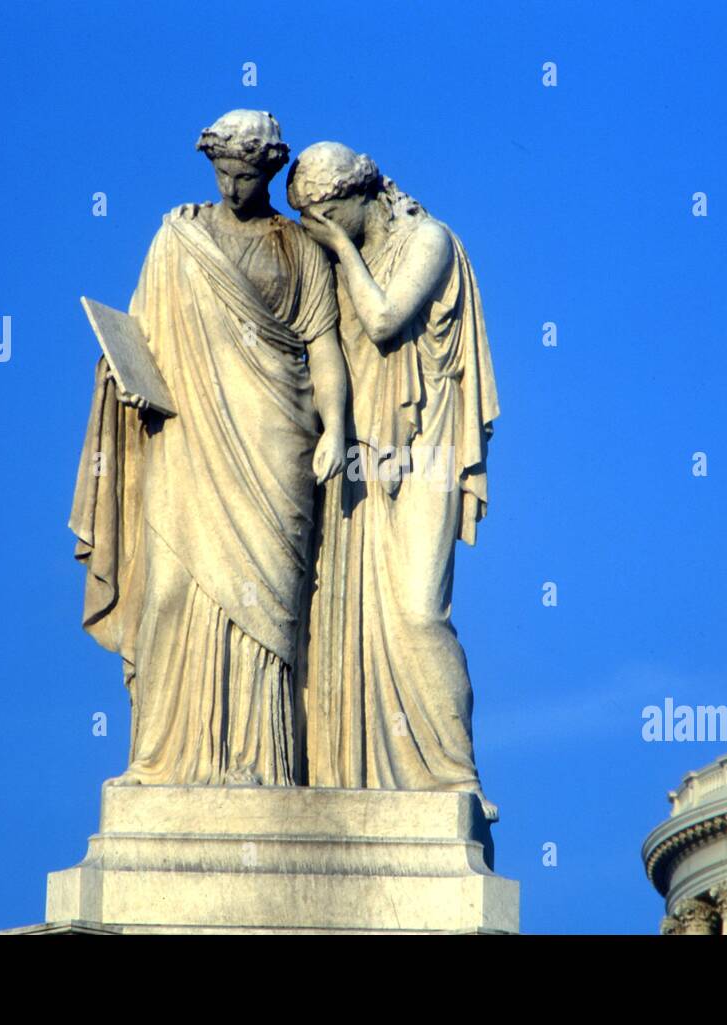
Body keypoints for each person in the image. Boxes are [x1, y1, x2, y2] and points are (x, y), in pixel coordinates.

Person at [70, 111, 347, 787]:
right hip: (185, 437)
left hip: (274, 441)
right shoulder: (177, 240)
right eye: (221, 171)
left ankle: (262, 763)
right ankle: (162, 759)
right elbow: (138, 334)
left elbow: (325, 349)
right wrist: (120, 377)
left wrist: (336, 428)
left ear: (271, 172)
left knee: (265, 613)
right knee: (168, 593)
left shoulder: (300, 250)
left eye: (245, 174)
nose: (230, 184)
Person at [287, 142, 501, 819]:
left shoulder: (427, 240)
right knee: (341, 613)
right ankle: (349, 771)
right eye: (308, 218)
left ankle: (454, 773)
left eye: (325, 213)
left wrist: (342, 252)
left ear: (360, 194)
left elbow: (382, 320)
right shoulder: (328, 254)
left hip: (426, 445)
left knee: (416, 611)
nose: (317, 227)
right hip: (358, 449)